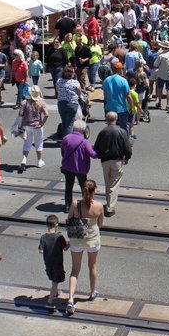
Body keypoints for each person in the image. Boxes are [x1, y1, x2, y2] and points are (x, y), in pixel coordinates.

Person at [65, 179, 104, 316]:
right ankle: (92, 292)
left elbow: (69, 220)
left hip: (76, 240)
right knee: (92, 266)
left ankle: (70, 299)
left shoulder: (75, 204)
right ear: (94, 191)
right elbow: (100, 224)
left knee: (75, 270)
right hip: (92, 240)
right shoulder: (99, 206)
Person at [92, 112, 132, 218]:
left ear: (106, 119)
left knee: (108, 182)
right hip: (117, 161)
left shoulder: (103, 132)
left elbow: (96, 147)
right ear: (116, 119)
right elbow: (127, 148)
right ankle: (110, 207)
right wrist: (127, 158)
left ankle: (108, 202)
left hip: (105, 161)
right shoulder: (122, 131)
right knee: (114, 184)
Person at [60, 120, 98, 212]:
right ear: (84, 130)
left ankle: (68, 206)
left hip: (67, 167)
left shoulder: (66, 138)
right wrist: (100, 153)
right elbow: (92, 154)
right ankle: (86, 204)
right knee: (84, 187)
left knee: (68, 187)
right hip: (81, 169)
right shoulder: (84, 141)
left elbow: (62, 152)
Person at [39, 215, 68, 310]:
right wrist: (69, 243)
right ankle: (50, 301)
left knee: (53, 277)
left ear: (47, 225)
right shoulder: (59, 237)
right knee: (56, 280)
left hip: (47, 262)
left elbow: (41, 251)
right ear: (56, 225)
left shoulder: (43, 237)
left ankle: (56, 292)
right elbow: (65, 248)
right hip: (57, 263)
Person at [19, 85, 49, 172]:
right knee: (39, 143)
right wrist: (42, 124)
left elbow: (20, 115)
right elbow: (46, 114)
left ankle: (24, 159)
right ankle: (39, 161)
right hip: (37, 126)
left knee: (27, 143)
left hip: (27, 126)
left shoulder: (24, 102)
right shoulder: (41, 102)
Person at [101, 62, 130, 131]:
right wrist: (131, 106)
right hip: (122, 108)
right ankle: (124, 140)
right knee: (123, 127)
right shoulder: (123, 80)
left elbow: (105, 95)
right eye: (122, 69)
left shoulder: (106, 80)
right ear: (119, 69)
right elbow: (128, 96)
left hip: (110, 108)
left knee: (110, 127)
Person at [56, 66, 82, 138]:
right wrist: (78, 97)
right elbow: (79, 92)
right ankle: (68, 139)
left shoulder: (59, 81)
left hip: (61, 103)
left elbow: (58, 90)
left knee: (64, 121)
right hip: (72, 103)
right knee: (70, 123)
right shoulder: (75, 82)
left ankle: (64, 137)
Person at [154, 41, 169, 111]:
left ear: (163, 47)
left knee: (160, 89)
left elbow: (155, 64)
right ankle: (168, 105)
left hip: (161, 74)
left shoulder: (161, 55)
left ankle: (159, 103)